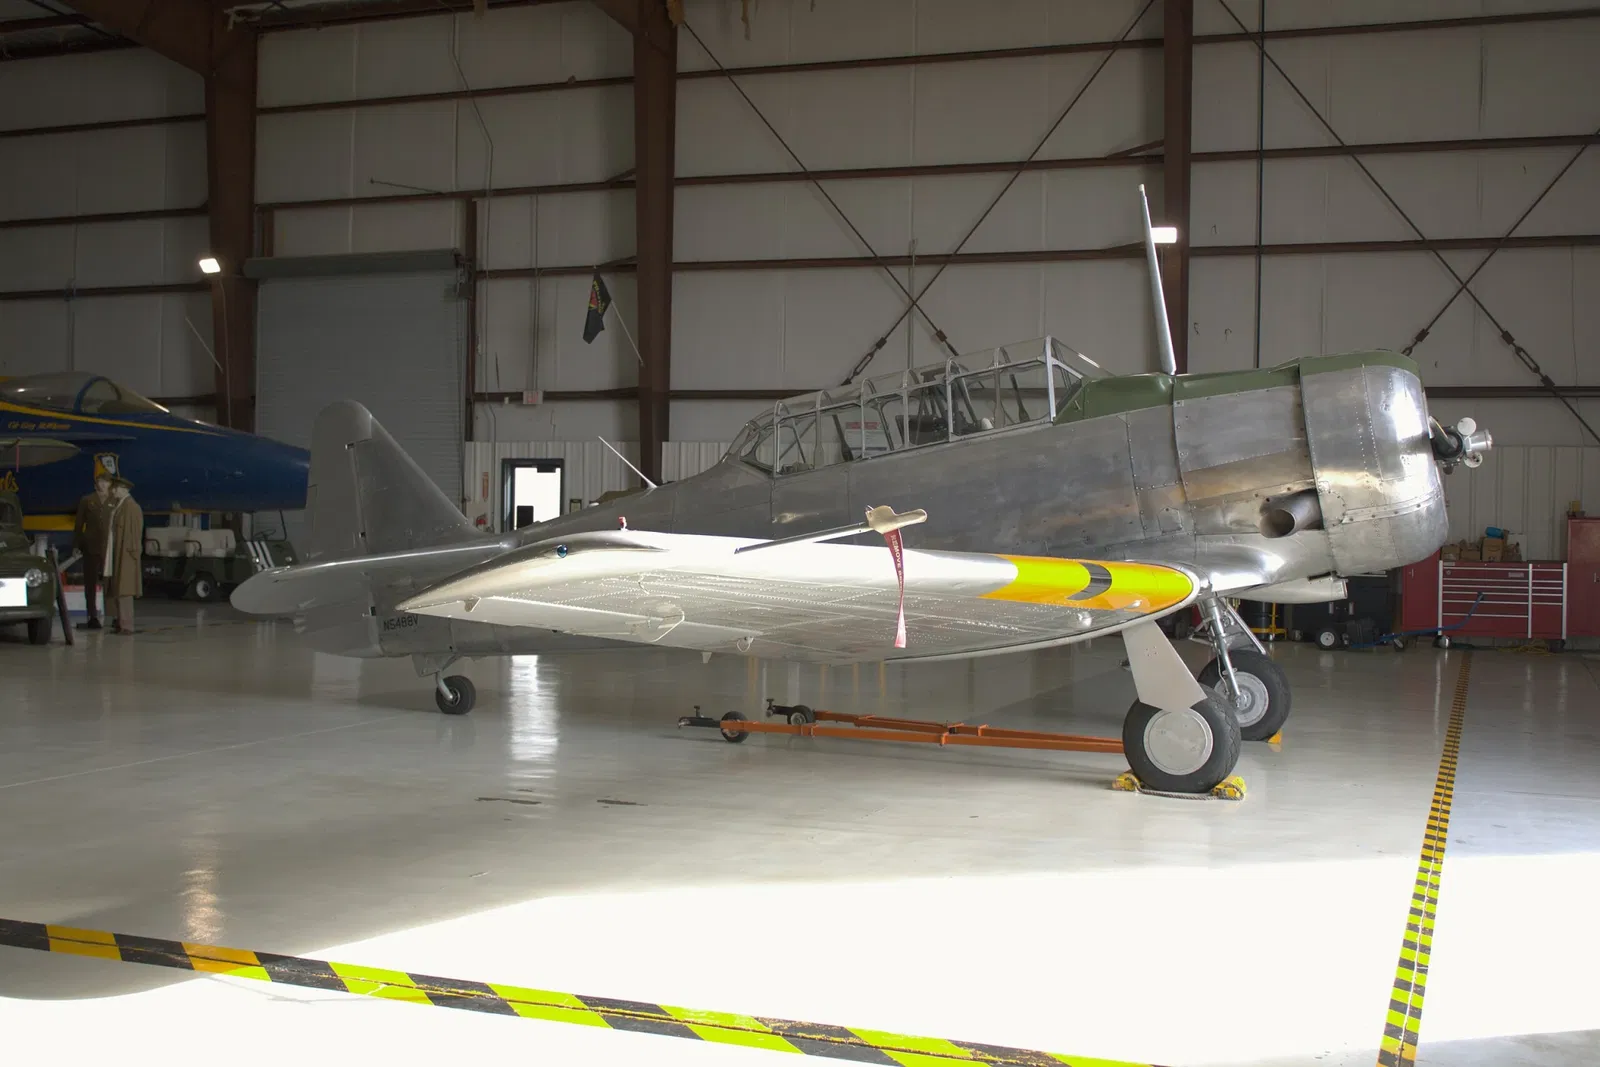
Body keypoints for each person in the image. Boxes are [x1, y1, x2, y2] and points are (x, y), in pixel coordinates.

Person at [103, 477, 144, 635]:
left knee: (125, 590)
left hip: (126, 554)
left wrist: (132, 554)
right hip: (118, 552)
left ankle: (127, 625)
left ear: (124, 489)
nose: (113, 491)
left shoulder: (131, 507)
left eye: (116, 488)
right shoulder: (120, 506)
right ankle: (121, 623)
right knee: (119, 589)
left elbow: (135, 533)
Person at [72, 473, 113, 630]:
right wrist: (76, 545)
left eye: (106, 482)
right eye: (100, 482)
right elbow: (78, 525)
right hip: (91, 547)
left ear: (110, 484)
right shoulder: (87, 500)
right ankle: (92, 616)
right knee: (90, 584)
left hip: (108, 548)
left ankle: (112, 615)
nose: (102, 485)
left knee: (111, 583)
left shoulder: (114, 501)